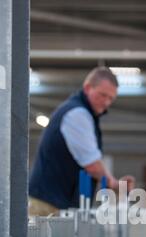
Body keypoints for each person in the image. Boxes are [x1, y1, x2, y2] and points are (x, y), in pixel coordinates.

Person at [29, 67, 135, 216]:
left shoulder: (81, 113)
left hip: (54, 202)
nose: (106, 102)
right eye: (102, 95)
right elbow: (91, 164)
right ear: (87, 88)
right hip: (47, 206)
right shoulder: (77, 114)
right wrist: (113, 184)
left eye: (111, 98)